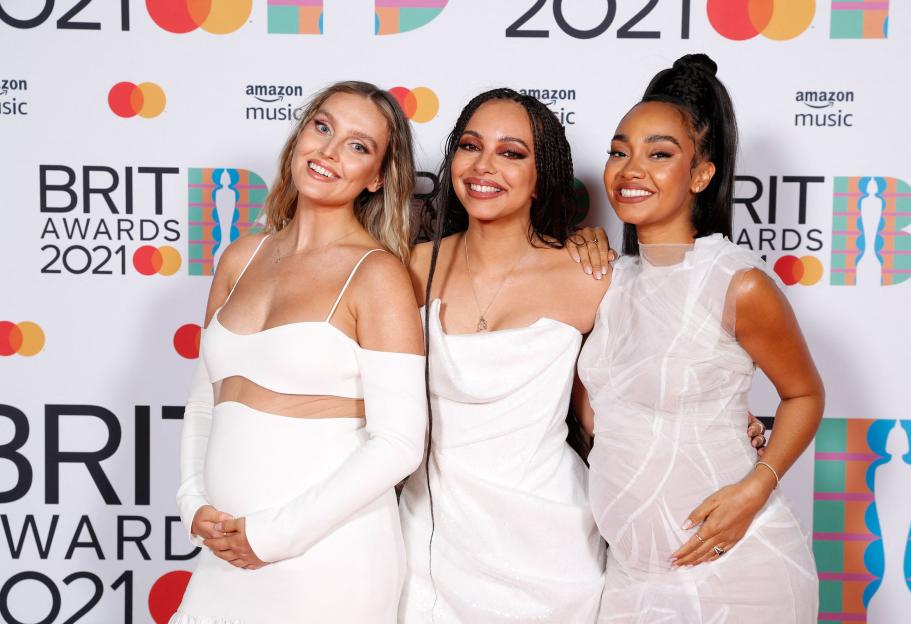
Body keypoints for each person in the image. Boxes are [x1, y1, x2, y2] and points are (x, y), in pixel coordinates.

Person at [576, 54, 822, 622]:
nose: (630, 169)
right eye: (620, 151)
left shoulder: (739, 284)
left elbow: (805, 395)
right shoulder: (607, 280)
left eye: (659, 154)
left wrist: (756, 487)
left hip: (738, 570)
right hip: (631, 579)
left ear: (702, 174)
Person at [171, 81, 427, 623]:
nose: (330, 152)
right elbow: (203, 400)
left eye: (358, 145)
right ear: (300, 135)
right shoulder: (241, 257)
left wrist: (273, 534)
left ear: (378, 176)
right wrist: (193, 502)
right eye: (323, 126)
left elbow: (400, 442)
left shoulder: (376, 274)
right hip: (225, 553)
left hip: (326, 560)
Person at [398, 88, 608, 623]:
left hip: (552, 551)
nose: (485, 165)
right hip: (429, 545)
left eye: (512, 153)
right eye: (471, 146)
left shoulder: (592, 277)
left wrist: (721, 421)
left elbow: (624, 397)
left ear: (543, 176)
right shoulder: (405, 269)